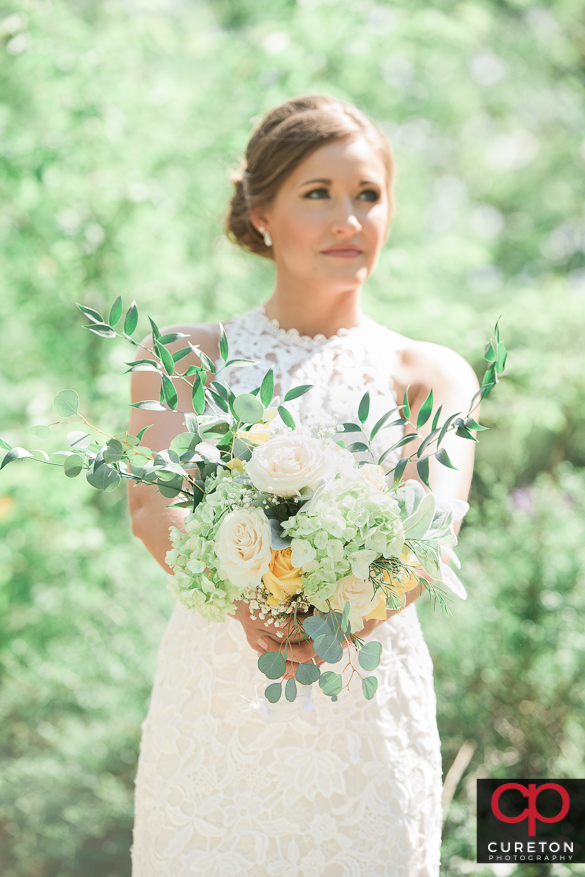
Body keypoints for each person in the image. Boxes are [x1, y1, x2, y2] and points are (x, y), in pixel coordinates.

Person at [128, 94, 478, 877]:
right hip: (218, 698)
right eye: (317, 193)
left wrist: (337, 623)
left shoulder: (432, 375)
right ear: (260, 213)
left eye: (367, 195)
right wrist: (250, 605)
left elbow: (434, 528)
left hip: (366, 706)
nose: (347, 218)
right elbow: (152, 505)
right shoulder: (180, 357)